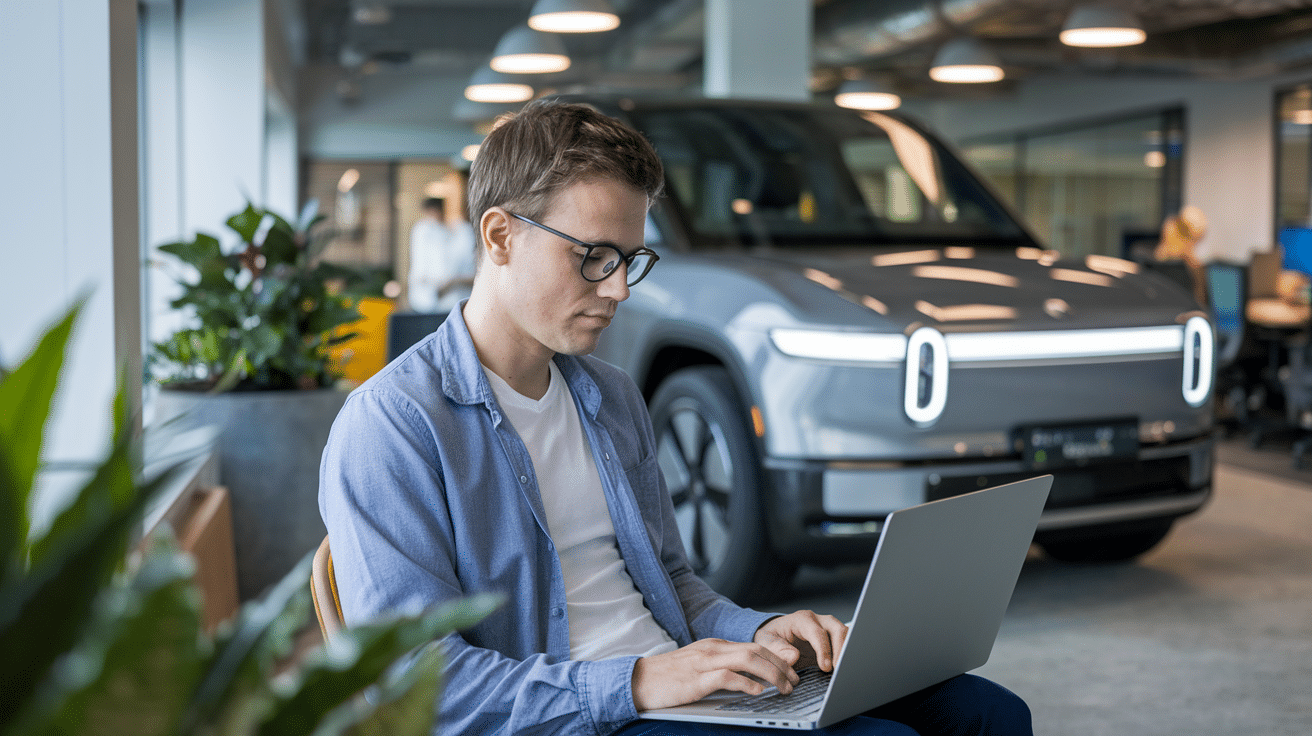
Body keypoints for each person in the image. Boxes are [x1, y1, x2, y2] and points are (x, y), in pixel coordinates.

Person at [319, 99, 1032, 735]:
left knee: (990, 714)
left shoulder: (611, 397)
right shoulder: (392, 425)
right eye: (594, 257)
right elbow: (416, 683)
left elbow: (671, 584)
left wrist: (767, 628)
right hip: (582, 714)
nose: (620, 288)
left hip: (683, 686)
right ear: (500, 237)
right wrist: (637, 683)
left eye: (632, 258)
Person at [407, 196, 476, 313]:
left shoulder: (464, 230)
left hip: (460, 302)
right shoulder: (423, 230)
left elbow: (473, 271)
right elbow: (419, 271)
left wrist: (453, 282)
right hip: (427, 303)